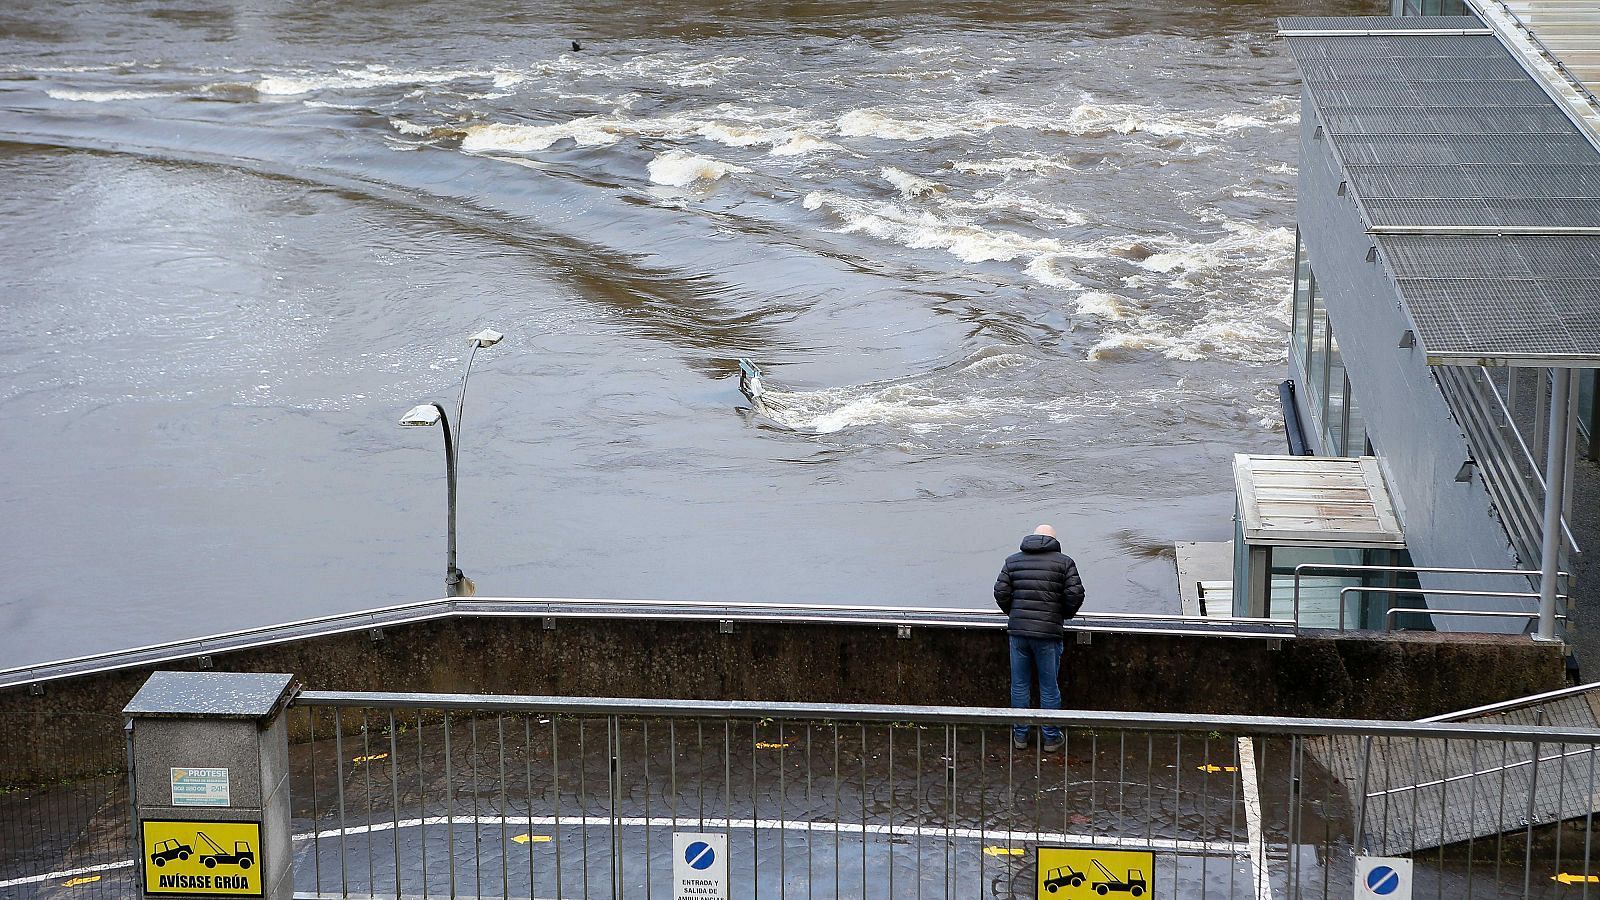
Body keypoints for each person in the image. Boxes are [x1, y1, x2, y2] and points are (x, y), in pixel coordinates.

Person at [993, 524, 1085, 751]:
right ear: (1053, 540)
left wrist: (1013, 613)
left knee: (1020, 685)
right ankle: (1051, 737)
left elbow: (1000, 592)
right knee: (1049, 686)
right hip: (1048, 634)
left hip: (1018, 633)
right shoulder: (1064, 562)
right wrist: (1062, 615)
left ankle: (1020, 736)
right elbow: (1075, 593)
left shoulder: (1012, 561)